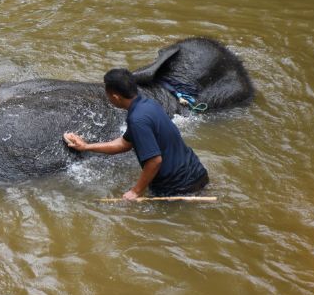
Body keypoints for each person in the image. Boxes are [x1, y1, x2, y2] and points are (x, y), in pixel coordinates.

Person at [63, 68, 209, 200]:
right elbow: (124, 144)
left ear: (115, 97)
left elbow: (154, 161)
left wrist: (136, 191)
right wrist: (86, 146)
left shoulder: (137, 119)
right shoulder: (148, 105)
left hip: (177, 188)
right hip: (197, 174)